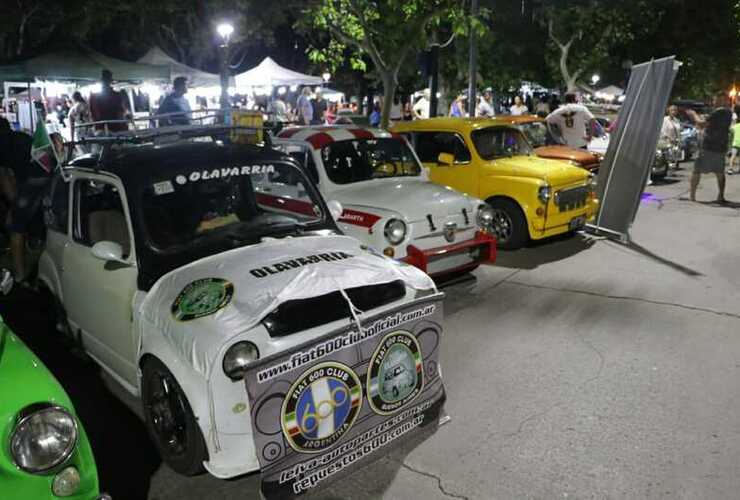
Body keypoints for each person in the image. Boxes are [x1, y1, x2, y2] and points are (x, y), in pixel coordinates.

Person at [688, 93, 733, 202]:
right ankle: (721, 196)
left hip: (708, 146)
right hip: (720, 147)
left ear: (721, 100)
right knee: (720, 172)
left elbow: (701, 123)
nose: (713, 102)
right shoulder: (728, 113)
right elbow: (711, 123)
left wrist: (693, 114)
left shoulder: (718, 112)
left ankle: (692, 196)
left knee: (696, 170)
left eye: (715, 99)